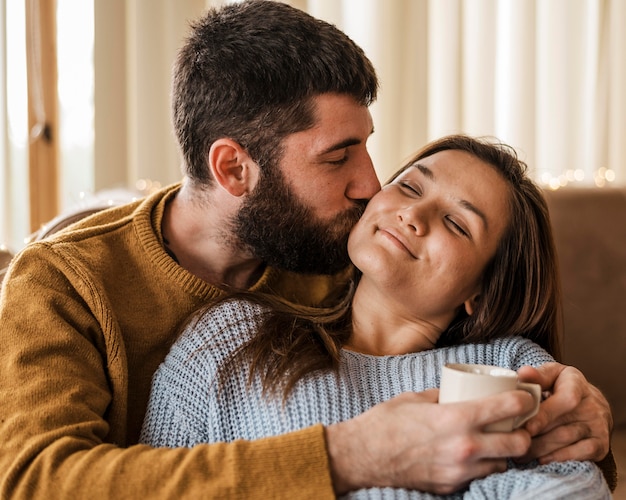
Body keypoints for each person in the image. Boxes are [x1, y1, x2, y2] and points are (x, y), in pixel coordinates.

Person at [0, 1, 614, 498]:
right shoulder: (64, 283)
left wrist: (582, 421)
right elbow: (36, 483)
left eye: (368, 148)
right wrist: (348, 456)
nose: (372, 187)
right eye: (337, 156)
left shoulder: (343, 257)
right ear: (235, 169)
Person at [140, 135, 611, 498]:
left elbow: (568, 488)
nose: (413, 214)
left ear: (481, 292)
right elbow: (157, 483)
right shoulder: (230, 335)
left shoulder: (510, 372)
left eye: (456, 223)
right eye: (408, 186)